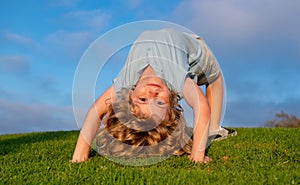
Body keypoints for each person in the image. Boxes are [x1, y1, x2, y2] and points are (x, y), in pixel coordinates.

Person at [71, 28, 236, 164]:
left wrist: (79, 154)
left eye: (142, 100)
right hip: (195, 49)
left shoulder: (124, 83)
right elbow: (201, 106)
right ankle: (214, 129)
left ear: (130, 96)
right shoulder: (175, 79)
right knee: (214, 79)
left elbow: (95, 112)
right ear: (170, 102)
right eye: (159, 103)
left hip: (171, 37)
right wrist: (198, 155)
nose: (152, 93)